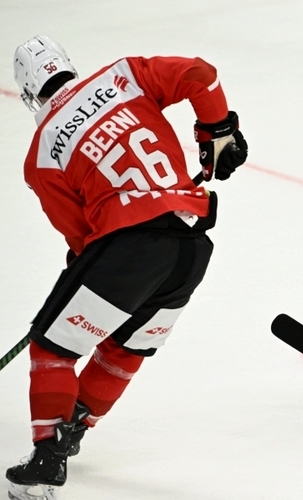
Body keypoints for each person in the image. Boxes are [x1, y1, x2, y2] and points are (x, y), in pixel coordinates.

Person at [6, 35, 247, 500]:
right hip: (191, 248)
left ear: (30, 93)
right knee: (123, 351)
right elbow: (201, 74)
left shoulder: (40, 154)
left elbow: (82, 239)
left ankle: (46, 462)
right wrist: (216, 132)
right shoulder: (123, 74)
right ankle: (71, 431)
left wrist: (84, 280)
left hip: (128, 247)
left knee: (52, 346)